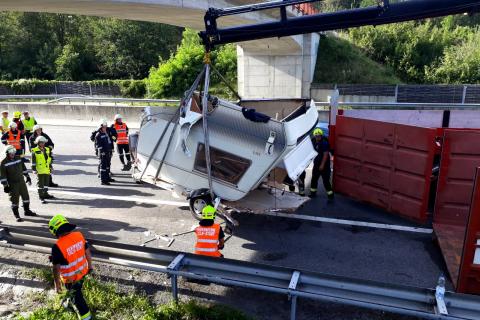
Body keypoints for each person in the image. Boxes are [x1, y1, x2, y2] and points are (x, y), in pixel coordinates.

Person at [49, 214, 93, 320]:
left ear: (54, 231)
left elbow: (56, 268)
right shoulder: (79, 235)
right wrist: (90, 267)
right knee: (76, 293)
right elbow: (87, 253)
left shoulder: (57, 246)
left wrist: (57, 285)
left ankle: (87, 317)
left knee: (78, 298)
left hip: (70, 279)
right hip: (83, 272)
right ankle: (69, 303)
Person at [0, 145, 35, 222]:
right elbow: (2, 176)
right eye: (11, 152)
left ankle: (27, 211)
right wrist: (5, 186)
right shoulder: (3, 163)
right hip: (13, 184)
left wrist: (27, 177)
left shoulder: (18, 158)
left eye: (13, 152)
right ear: (7, 153)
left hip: (21, 182)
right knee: (14, 200)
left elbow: (23, 168)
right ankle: (17, 216)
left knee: (26, 197)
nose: (13, 154)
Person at [298, 128, 334, 199]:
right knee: (314, 179)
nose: (318, 137)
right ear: (314, 136)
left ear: (321, 135)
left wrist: (322, 165)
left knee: (326, 181)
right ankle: (313, 193)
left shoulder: (324, 143)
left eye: (319, 136)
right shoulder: (313, 141)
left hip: (324, 166)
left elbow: (325, 155)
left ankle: (330, 195)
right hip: (316, 164)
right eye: (316, 136)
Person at [32, 136, 55, 203]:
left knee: (46, 183)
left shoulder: (47, 149)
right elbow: (33, 162)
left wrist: (50, 166)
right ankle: (41, 197)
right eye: (41, 142)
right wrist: (34, 169)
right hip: (39, 170)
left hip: (46, 169)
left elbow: (49, 159)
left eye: (43, 142)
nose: (43, 144)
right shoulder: (35, 151)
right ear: (38, 143)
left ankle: (45, 194)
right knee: (40, 184)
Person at [95, 120, 115, 185]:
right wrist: (102, 152)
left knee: (107, 166)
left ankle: (107, 178)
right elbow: (98, 145)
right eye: (104, 127)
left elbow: (108, 142)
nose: (105, 128)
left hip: (107, 152)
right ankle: (103, 181)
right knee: (103, 167)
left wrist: (110, 149)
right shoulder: (98, 135)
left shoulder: (104, 133)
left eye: (105, 127)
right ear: (100, 127)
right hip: (103, 153)